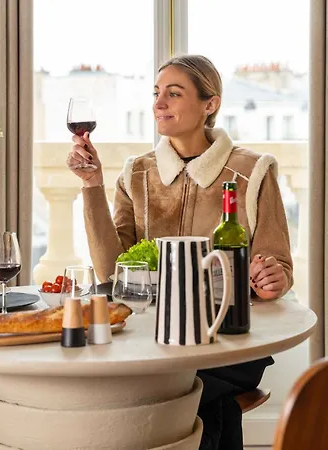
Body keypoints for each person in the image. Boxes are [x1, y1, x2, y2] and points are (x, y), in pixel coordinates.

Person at [67, 54, 293, 449]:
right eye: (156, 93)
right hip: (154, 337)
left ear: (210, 104)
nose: (159, 104)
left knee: (169, 394)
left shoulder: (253, 171)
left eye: (173, 94)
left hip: (228, 339)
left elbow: (278, 266)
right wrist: (92, 184)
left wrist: (273, 278)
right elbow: (113, 272)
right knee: (181, 397)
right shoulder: (137, 173)